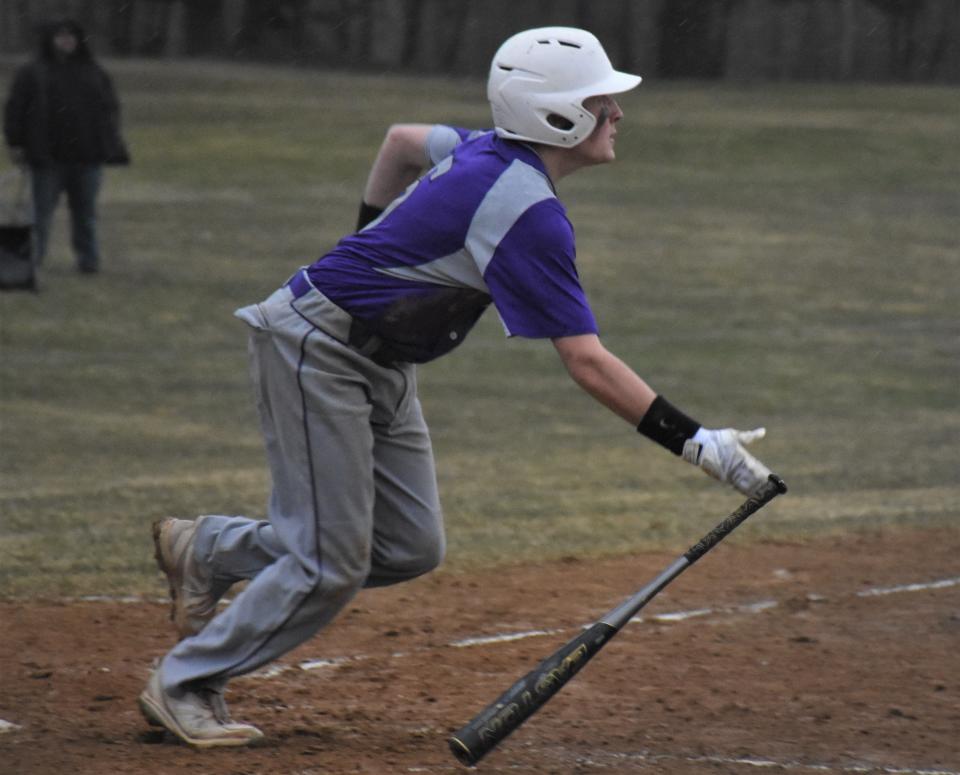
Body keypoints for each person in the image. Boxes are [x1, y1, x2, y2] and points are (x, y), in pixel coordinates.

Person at [138, 27, 773, 748]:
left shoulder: (490, 150)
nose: (618, 113)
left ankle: (210, 549)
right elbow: (587, 362)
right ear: (556, 118)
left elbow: (402, 140)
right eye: (601, 102)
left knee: (410, 543)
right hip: (316, 349)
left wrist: (365, 247)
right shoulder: (528, 213)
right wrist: (698, 444)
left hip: (380, 361)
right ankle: (184, 681)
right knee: (331, 560)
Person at [3, 18, 129, 275]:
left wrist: (109, 144)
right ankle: (31, 262)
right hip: (46, 157)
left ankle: (89, 261)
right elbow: (15, 110)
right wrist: (16, 143)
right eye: (60, 36)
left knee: (86, 214)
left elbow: (109, 111)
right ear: (50, 40)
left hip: (86, 157)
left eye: (71, 36)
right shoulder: (33, 72)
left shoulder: (93, 71)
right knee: (41, 215)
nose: (66, 40)